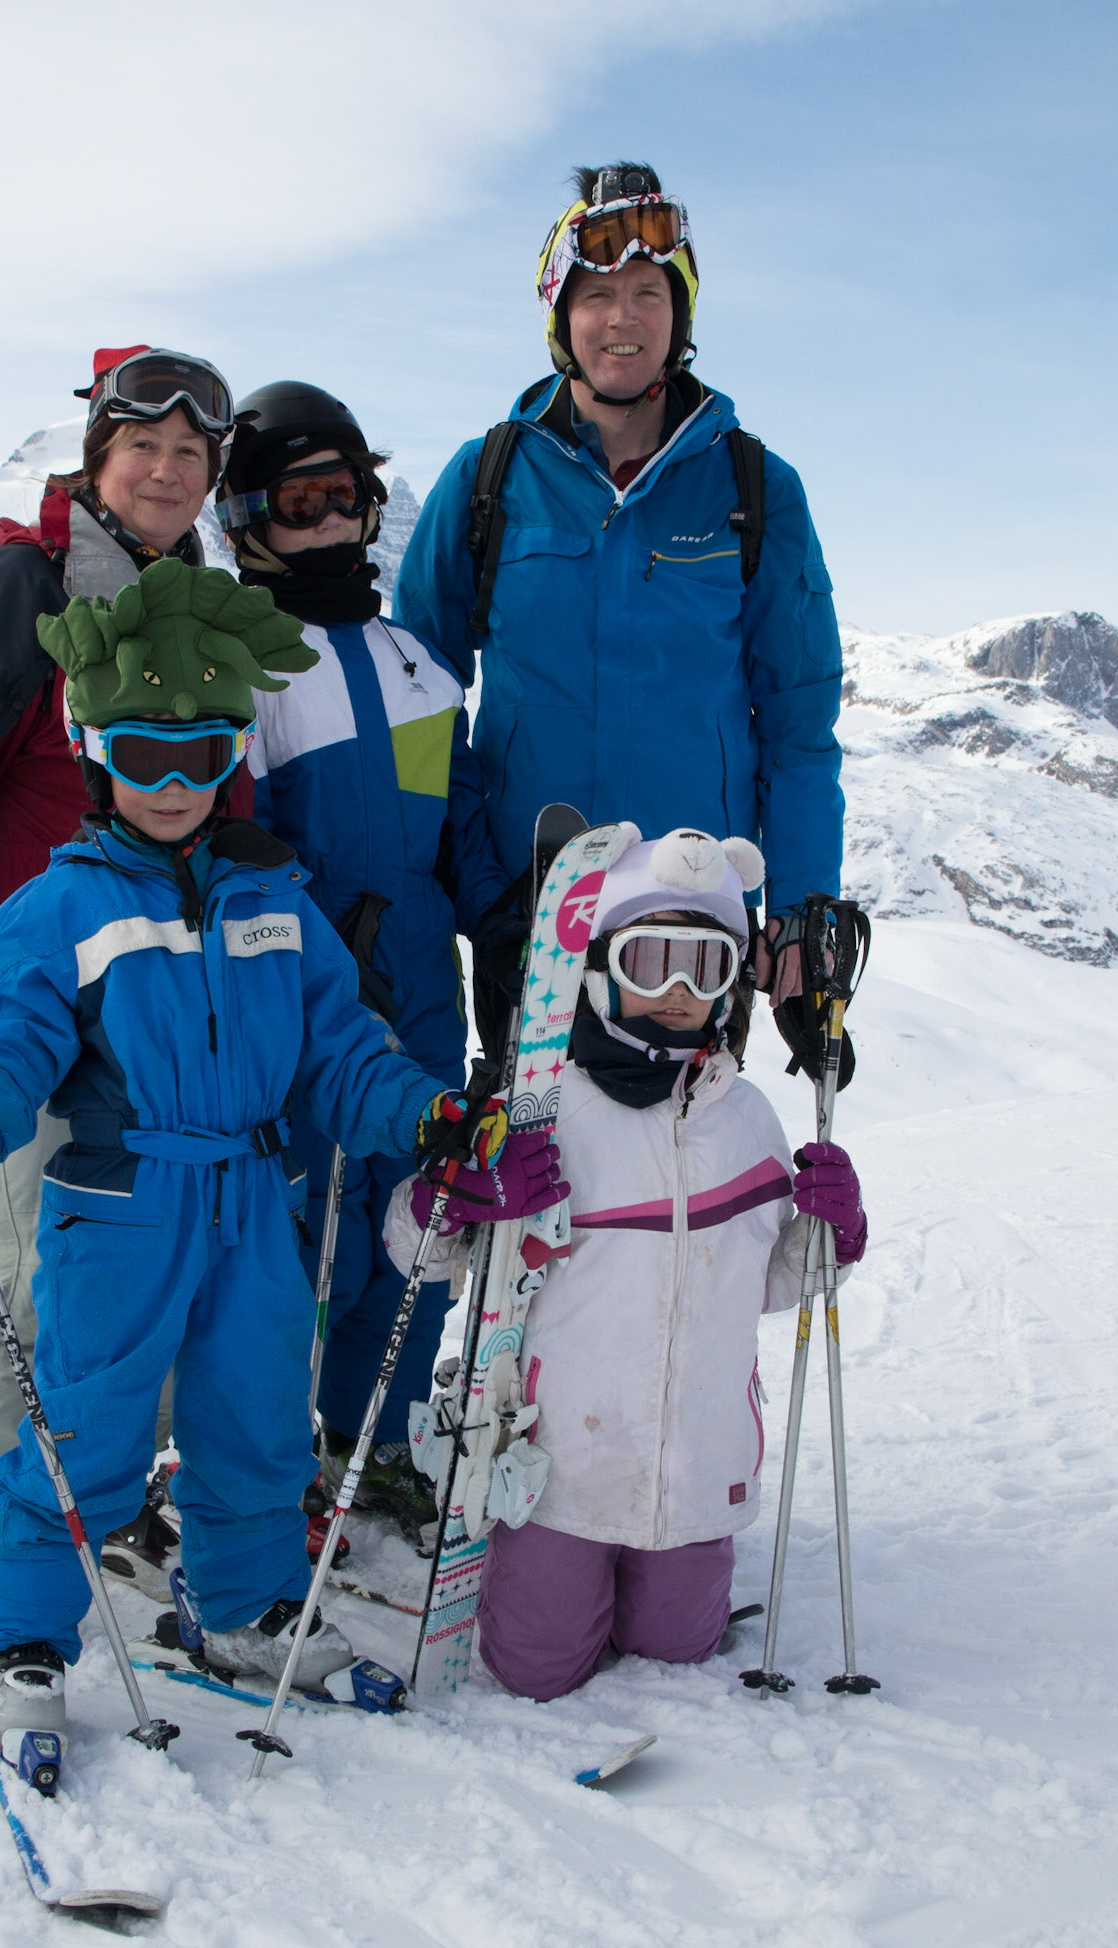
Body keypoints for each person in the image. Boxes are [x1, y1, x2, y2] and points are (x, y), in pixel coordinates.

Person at [0, 558, 558, 1744]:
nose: (173, 784)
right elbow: (6, 1035)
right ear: (99, 755)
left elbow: (341, 1049)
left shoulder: (277, 902)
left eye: (201, 756)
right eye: (144, 756)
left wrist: (423, 1115)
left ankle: (242, 1602)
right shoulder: (67, 903)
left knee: (256, 1416)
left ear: (229, 762)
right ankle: (15, 1633)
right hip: (123, 1202)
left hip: (260, 1199)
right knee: (88, 1424)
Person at [0, 347, 236, 1627]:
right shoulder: (17, 587)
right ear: (98, 455)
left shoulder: (198, 607)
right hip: (28, 993)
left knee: (148, 1271)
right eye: (145, 447)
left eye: (192, 455)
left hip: (156, 1004)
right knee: (24, 1277)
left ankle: (102, 1497)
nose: (167, 471)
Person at [384, 828, 867, 1702]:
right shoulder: (540, 1107)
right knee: (536, 1672)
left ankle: (658, 1588)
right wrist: (456, 1195)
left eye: (705, 964)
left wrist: (833, 1234)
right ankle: (539, 1582)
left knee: (676, 1652)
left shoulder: (746, 1119)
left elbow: (766, 1283)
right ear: (601, 966)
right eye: (652, 961)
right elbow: (419, 1251)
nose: (679, 991)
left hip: (698, 1465)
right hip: (561, 1468)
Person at [393, 162, 846, 1015]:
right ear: (561, 316)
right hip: (532, 916)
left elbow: (799, 722)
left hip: (697, 917)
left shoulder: (754, 486)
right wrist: (474, 881)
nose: (623, 318)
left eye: (649, 291)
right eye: (596, 293)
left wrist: (800, 905)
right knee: (530, 1152)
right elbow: (417, 699)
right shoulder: (489, 477)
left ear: (680, 317)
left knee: (690, 1147)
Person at [216, 383, 511, 1538]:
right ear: (249, 516)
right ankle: (269, 1458)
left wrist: (513, 919)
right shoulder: (240, 664)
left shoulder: (418, 663)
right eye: (304, 497)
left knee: (414, 1221)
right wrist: (306, 950)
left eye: (351, 493)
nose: (334, 518)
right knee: (301, 1239)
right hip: (303, 1010)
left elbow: (465, 831)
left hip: (423, 1000)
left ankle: (375, 1440)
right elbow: (229, 839)